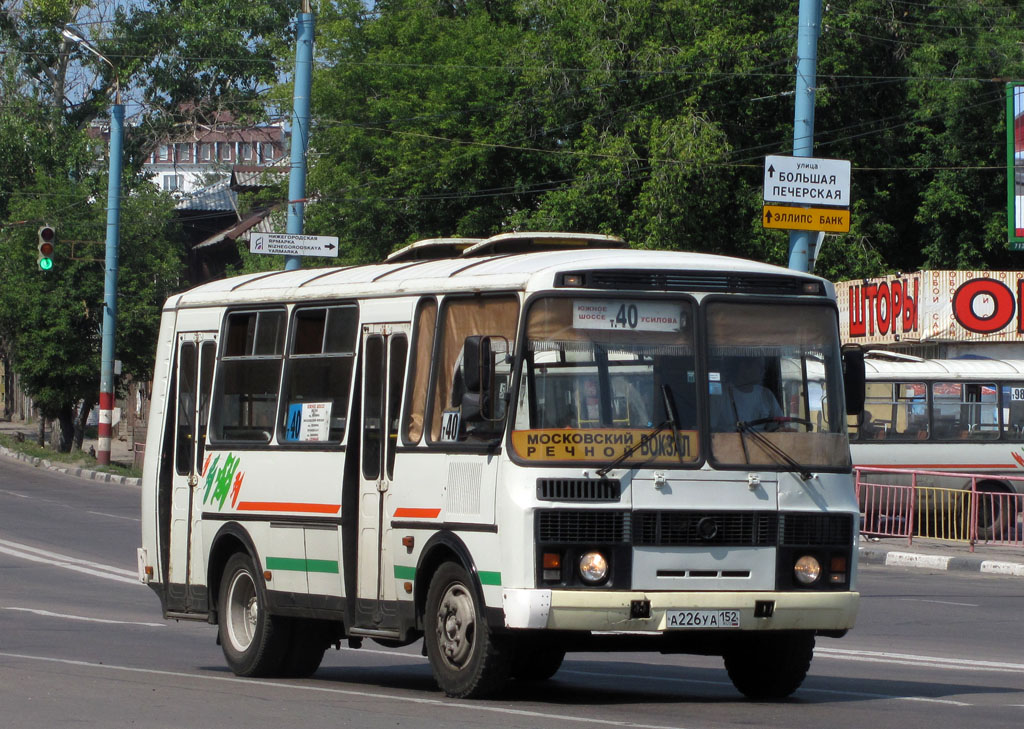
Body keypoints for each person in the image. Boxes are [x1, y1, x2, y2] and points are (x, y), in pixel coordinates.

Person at [712, 357, 784, 431]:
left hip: (763, 442)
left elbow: (778, 425)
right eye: (759, 366)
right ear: (744, 367)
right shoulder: (721, 395)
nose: (763, 371)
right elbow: (711, 429)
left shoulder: (766, 394)